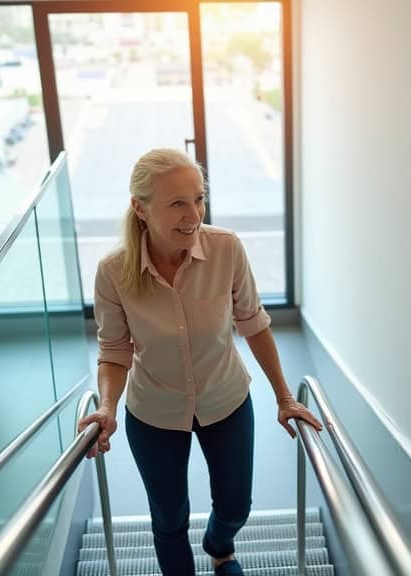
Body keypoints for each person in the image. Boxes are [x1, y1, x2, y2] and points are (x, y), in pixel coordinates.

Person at [78, 148, 323, 576]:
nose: (193, 213)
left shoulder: (226, 249)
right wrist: (106, 407)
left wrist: (285, 398)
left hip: (225, 399)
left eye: (198, 198)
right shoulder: (113, 271)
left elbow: (254, 323)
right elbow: (114, 350)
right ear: (140, 207)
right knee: (168, 518)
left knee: (235, 506)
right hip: (154, 411)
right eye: (177, 203)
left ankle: (219, 546)